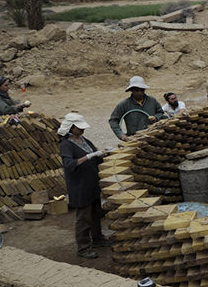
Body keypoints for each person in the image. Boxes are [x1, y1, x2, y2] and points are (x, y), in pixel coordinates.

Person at [58, 112, 109, 259]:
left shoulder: (83, 139)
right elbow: (69, 165)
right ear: (71, 128)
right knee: (84, 217)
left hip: (92, 183)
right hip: (79, 186)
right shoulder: (66, 145)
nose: (82, 130)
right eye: (79, 128)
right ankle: (83, 247)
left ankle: (98, 238)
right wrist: (87, 157)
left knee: (96, 213)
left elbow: (95, 154)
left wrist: (101, 155)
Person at [109, 76, 165, 141]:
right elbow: (113, 120)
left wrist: (156, 117)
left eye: (142, 90)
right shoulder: (124, 104)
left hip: (152, 137)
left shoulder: (152, 101)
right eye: (137, 90)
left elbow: (160, 112)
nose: (140, 93)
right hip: (134, 138)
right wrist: (121, 135)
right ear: (131, 90)